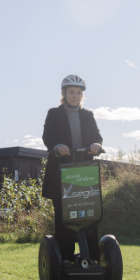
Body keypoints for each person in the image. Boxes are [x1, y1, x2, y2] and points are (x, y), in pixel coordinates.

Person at [41, 75, 104, 266]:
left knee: (90, 214)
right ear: (64, 93)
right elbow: (47, 136)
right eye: (71, 92)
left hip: (84, 173)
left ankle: (93, 258)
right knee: (63, 217)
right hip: (61, 173)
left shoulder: (88, 115)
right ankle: (66, 259)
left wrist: (96, 145)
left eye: (78, 93)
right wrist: (57, 146)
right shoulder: (54, 113)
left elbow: (97, 137)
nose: (75, 96)